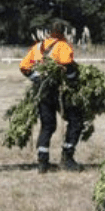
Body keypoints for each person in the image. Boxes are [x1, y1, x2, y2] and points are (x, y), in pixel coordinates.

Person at [19, 20, 83, 173]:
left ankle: (42, 162)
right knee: (76, 120)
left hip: (42, 91)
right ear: (63, 32)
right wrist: (75, 78)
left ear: (49, 32)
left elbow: (24, 66)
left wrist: (36, 77)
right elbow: (68, 66)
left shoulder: (39, 47)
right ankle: (67, 158)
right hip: (59, 91)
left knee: (47, 125)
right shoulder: (63, 46)